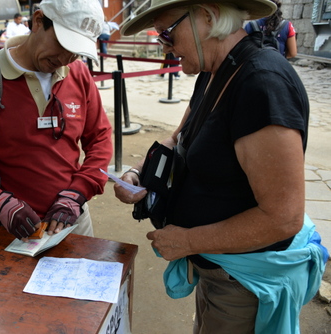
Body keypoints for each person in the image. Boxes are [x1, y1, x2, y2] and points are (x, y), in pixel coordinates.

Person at [114, 0, 328, 333]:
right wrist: (138, 172)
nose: (164, 46)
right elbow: (177, 139)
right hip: (217, 267)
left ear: (209, 16)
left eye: (167, 32)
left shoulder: (261, 84)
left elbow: (283, 217)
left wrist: (188, 242)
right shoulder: (215, 71)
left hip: (244, 281)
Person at [0, 0, 112, 243]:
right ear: (38, 21)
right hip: (3, 227)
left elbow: (100, 139)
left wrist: (78, 193)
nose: (66, 58)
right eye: (63, 43)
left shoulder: (78, 74)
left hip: (71, 220)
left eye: (76, 50)